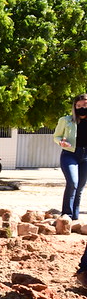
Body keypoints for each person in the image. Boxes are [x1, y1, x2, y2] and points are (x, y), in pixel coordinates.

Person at [53, 93, 87, 221]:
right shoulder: (65, 120)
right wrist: (61, 142)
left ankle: (74, 218)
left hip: (86, 156)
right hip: (69, 155)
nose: (82, 108)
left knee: (80, 187)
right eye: (78, 106)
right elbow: (56, 136)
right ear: (74, 107)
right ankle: (66, 215)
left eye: (85, 105)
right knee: (73, 182)